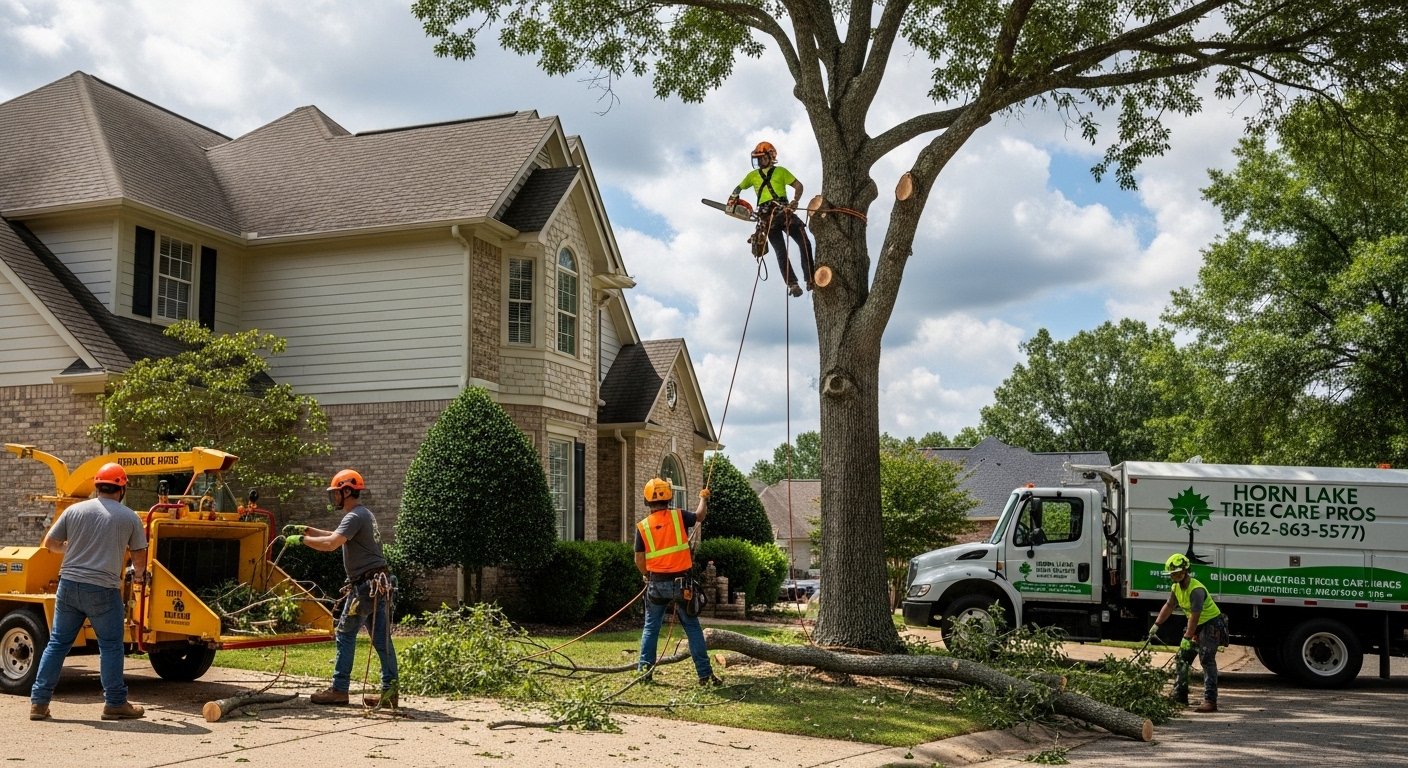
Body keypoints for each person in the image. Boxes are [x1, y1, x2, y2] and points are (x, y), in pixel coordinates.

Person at [29, 462, 147, 721]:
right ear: (122, 488)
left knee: (58, 643)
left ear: (96, 486)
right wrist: (139, 575)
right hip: (103, 590)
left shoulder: (74, 510)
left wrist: (69, 550)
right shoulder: (129, 517)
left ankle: (39, 703)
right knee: (111, 646)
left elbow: (50, 543)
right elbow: (139, 555)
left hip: (68, 586)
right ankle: (115, 703)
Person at [284, 469, 398, 707]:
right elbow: (334, 535)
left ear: (346, 491)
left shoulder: (354, 516)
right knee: (381, 640)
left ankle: (339, 689)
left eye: (336, 492)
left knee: (345, 634)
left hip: (365, 588)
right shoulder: (362, 514)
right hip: (379, 584)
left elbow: (331, 544)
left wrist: (301, 541)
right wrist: (306, 530)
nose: (333, 497)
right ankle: (390, 692)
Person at [635, 478, 721, 687]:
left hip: (656, 584)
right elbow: (700, 515)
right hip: (681, 585)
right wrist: (703, 497)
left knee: (651, 628)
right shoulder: (679, 517)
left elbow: (638, 558)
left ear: (647, 500)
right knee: (692, 628)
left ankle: (644, 673)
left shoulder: (643, 526)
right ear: (669, 497)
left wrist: (646, 574)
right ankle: (705, 675)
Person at [728, 141, 817, 297]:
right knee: (781, 252)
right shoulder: (752, 176)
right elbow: (739, 187)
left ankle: (810, 279)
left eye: (762, 158)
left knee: (804, 242)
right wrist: (733, 197)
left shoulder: (781, 172)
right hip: (766, 217)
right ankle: (792, 284)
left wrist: (795, 201)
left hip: (784, 211)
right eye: (757, 159)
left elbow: (798, 185)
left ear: (770, 156)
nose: (759, 161)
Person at [1149, 552, 1228, 712]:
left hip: (1210, 624)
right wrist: (1156, 624)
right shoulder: (1176, 587)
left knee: (1206, 659)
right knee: (1182, 658)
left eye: (1177, 573)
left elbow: (1195, 615)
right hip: (1196, 624)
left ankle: (1210, 701)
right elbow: (1169, 606)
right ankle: (1180, 696)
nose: (1174, 576)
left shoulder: (1196, 590)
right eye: (1172, 574)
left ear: (1185, 571)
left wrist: (1187, 637)